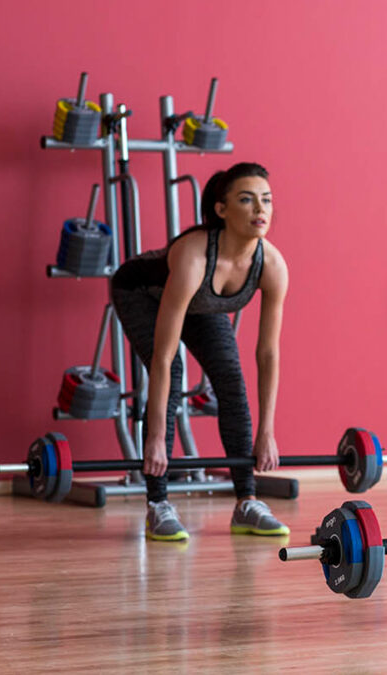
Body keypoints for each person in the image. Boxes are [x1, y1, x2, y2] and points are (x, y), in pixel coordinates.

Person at [110, 162, 290, 541]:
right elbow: (161, 357)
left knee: (231, 379)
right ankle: (157, 504)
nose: (260, 209)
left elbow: (268, 354)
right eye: (247, 199)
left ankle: (247, 502)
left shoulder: (271, 264)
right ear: (222, 210)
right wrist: (157, 437)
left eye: (267, 200)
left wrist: (267, 431)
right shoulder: (195, 255)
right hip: (142, 294)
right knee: (173, 372)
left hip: (201, 307)